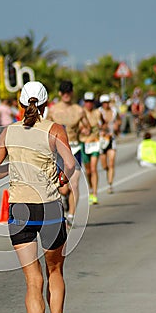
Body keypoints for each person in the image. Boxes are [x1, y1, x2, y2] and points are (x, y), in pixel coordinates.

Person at [0, 81, 75, 313]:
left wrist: (13, 168)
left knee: (32, 281)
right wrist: (60, 177)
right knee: (55, 270)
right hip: (48, 206)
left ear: (20, 104)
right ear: (46, 104)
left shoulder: (9, 132)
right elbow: (71, 165)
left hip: (20, 208)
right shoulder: (54, 129)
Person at [48, 80, 91, 226]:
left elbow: (87, 127)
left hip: (75, 148)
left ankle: (71, 214)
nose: (66, 95)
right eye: (64, 92)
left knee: (74, 184)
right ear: (60, 94)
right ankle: (64, 200)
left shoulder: (79, 110)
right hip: (58, 151)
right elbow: (45, 127)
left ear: (72, 93)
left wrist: (85, 130)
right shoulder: (53, 110)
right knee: (62, 187)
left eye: (69, 92)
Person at [80, 92, 101, 204]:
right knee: (88, 170)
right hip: (84, 143)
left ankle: (95, 193)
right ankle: (91, 188)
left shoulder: (97, 112)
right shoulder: (81, 112)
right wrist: (82, 129)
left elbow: (103, 123)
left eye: (91, 101)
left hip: (95, 143)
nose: (89, 104)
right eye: (87, 101)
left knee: (93, 168)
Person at [98, 94, 122, 194]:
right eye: (103, 103)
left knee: (111, 162)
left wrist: (117, 126)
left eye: (107, 102)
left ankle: (110, 184)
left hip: (112, 139)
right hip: (102, 140)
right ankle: (107, 172)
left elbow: (119, 121)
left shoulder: (114, 111)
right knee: (104, 165)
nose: (105, 105)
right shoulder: (99, 112)